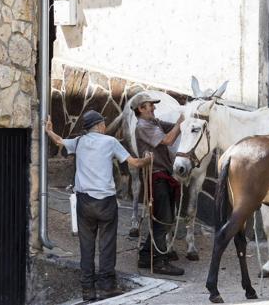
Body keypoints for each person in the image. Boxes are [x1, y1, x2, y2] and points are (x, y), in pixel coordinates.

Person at [45, 110, 151, 301]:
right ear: (100, 125)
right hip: (105, 202)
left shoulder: (78, 142)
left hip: (84, 202)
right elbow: (134, 163)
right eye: (103, 123)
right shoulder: (110, 142)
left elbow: (59, 141)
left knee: (86, 247)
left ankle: (88, 291)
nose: (104, 126)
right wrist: (148, 159)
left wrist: (49, 131)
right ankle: (107, 287)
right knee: (107, 246)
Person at [132, 92, 186, 276]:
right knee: (163, 219)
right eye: (150, 105)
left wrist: (185, 120)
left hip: (162, 174)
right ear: (141, 108)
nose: (154, 107)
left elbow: (175, 129)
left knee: (162, 218)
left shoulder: (153, 122)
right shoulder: (143, 126)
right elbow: (168, 139)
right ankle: (160, 261)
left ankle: (146, 255)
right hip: (155, 176)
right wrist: (180, 122)